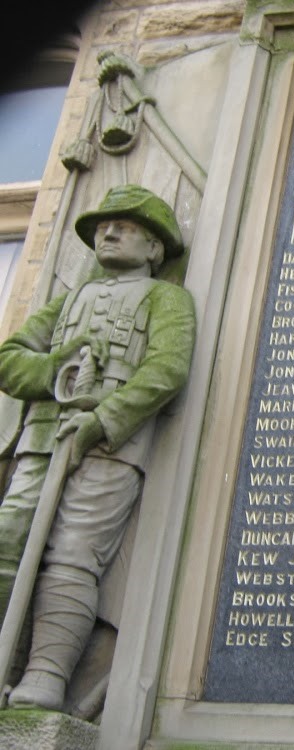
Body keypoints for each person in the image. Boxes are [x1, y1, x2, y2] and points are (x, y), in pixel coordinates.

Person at [0, 184, 196, 710]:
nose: (108, 232)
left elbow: (166, 369)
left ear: (155, 248)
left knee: (74, 554)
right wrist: (55, 369)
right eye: (103, 227)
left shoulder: (166, 299)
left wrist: (103, 419)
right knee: (7, 543)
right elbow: (10, 358)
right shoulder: (69, 301)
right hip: (44, 438)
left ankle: (44, 675)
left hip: (112, 444)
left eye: (125, 226)